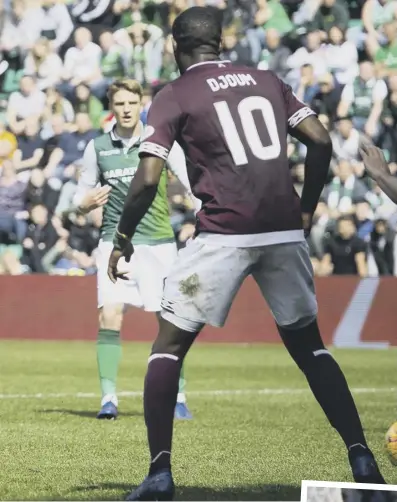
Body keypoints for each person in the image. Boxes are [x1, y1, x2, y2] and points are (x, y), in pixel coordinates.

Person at [108, 7, 386, 500]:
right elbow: (319, 141)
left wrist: (122, 236)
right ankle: (361, 456)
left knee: (168, 347)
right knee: (311, 348)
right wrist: (304, 212)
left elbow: (148, 178)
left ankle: (159, 474)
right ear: (220, 42)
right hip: (282, 232)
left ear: (176, 47)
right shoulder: (266, 78)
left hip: (223, 235)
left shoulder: (174, 94)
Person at [73, 78, 195, 421]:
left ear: (141, 104)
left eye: (131, 103)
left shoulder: (161, 142)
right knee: (109, 315)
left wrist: (199, 217)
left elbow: (190, 184)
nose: (126, 109)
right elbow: (79, 196)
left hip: (157, 244)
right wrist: (83, 205)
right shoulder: (97, 147)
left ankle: (179, 397)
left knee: (170, 322)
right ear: (111, 108)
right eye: (119, 104)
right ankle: (108, 399)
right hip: (113, 243)